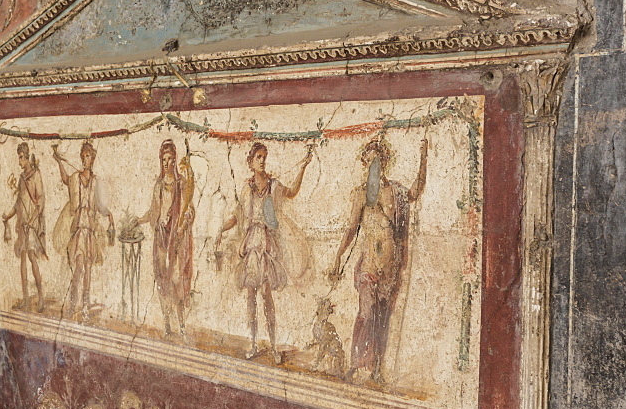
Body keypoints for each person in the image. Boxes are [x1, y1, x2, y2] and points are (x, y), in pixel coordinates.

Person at [331, 136, 428, 384]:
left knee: (383, 317)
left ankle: (377, 366)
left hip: (390, 266)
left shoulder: (395, 192)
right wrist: (338, 256)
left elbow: (416, 191)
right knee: (366, 312)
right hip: (370, 264)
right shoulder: (362, 194)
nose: (373, 164)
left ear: (384, 162)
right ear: (365, 163)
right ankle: (356, 363)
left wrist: (423, 157)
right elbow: (352, 229)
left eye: (378, 160)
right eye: (369, 160)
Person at [215, 142, 313, 364]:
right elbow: (237, 215)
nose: (262, 160)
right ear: (250, 162)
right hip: (251, 245)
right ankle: (252, 344)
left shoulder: (274, 186)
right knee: (251, 296)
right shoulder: (246, 189)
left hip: (267, 245)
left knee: (267, 296)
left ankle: (273, 345)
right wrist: (222, 228)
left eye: (264, 156)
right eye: (258, 157)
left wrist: (304, 167)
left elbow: (293, 192)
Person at [138, 140, 195, 338]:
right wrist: (139, 220)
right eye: (164, 159)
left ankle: (181, 325)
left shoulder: (182, 184)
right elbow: (154, 211)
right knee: (163, 281)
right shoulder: (159, 186)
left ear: (174, 161)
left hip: (176, 240)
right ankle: (167, 323)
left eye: (170, 159)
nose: (167, 163)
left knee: (177, 280)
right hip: (161, 238)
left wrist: (182, 226)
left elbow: (190, 211)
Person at [53, 141, 114, 316]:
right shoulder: (76, 178)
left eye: (88, 156)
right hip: (79, 228)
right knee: (79, 267)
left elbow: (99, 205)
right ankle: (73, 303)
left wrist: (108, 214)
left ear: (92, 158)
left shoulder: (95, 181)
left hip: (90, 230)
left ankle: (85, 305)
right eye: (83, 156)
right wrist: (58, 162)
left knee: (88, 269)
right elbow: (66, 180)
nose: (85, 159)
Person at [2, 142, 46, 312]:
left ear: (27, 157)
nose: (19, 161)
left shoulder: (36, 175)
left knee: (32, 258)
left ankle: (41, 297)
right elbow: (18, 203)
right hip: (22, 225)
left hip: (31, 225)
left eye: (21, 157)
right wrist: (8, 215)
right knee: (22, 260)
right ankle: (26, 299)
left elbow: (40, 201)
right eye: (18, 157)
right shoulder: (21, 179)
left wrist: (32, 220)